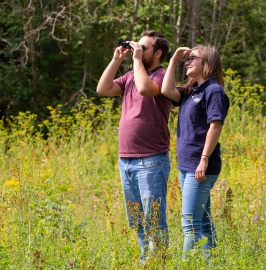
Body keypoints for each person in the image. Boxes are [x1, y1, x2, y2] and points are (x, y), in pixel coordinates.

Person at [96, 30, 172, 260]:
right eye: (137, 46)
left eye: (144, 47)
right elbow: (102, 89)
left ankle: (158, 261)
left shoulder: (162, 75)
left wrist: (137, 59)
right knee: (136, 217)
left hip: (151, 159)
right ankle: (145, 259)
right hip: (126, 159)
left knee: (153, 217)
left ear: (157, 53)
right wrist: (117, 59)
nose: (138, 49)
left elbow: (145, 89)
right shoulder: (130, 75)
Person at [160, 46, 230, 256]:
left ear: (207, 63)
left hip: (200, 166)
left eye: (193, 58)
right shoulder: (192, 90)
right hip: (187, 165)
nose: (187, 62)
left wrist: (204, 159)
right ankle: (211, 263)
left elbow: (215, 125)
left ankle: (188, 264)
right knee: (203, 222)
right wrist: (172, 60)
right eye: (187, 59)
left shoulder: (214, 91)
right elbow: (165, 90)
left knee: (190, 225)